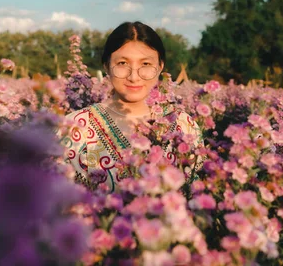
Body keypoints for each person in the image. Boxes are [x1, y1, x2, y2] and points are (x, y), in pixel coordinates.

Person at [59, 21, 202, 192]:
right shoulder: (73, 128)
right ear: (106, 66)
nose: (134, 77)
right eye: (122, 64)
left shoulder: (184, 125)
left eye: (146, 64)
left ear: (160, 66)